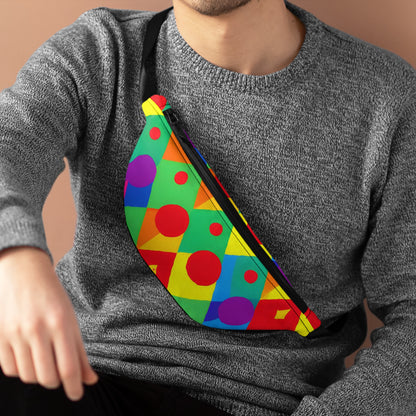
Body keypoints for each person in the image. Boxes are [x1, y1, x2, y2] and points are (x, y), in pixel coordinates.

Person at [0, 0, 415, 414]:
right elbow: (10, 144)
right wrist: (16, 256)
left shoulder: (389, 99)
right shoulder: (100, 51)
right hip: (85, 380)